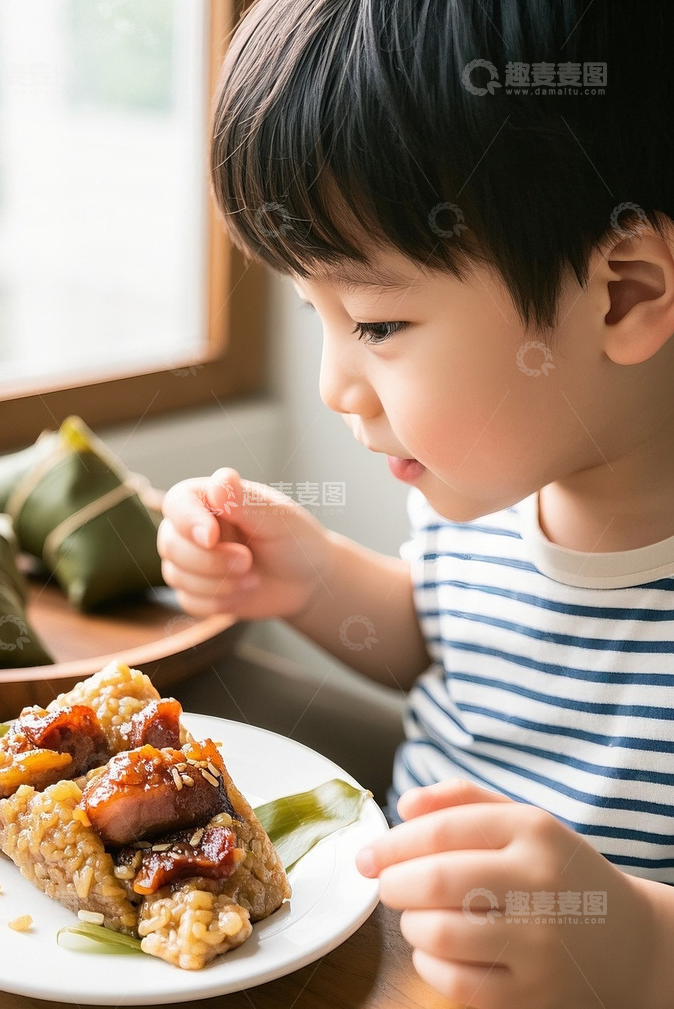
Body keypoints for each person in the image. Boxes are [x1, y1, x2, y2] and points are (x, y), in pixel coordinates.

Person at [157, 1, 674, 1006]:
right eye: (313, 313)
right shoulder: (479, 500)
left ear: (622, 294)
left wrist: (642, 950)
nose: (332, 387)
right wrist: (312, 581)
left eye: (377, 323)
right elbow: (447, 642)